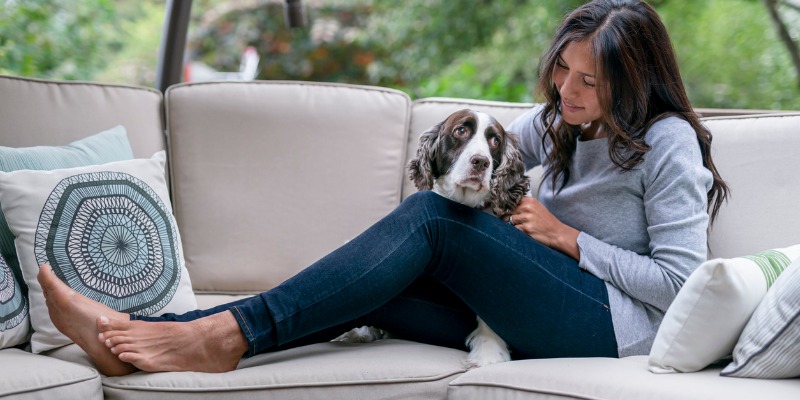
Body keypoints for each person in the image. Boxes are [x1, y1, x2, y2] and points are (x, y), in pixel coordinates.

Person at [39, 0, 729, 377]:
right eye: (562, 72)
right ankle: (143, 337)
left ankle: (219, 338)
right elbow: (480, 151)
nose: (565, 91)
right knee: (369, 281)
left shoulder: (665, 140)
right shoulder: (558, 122)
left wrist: (567, 238)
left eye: (589, 81)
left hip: (614, 328)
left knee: (432, 221)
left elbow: (682, 283)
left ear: (633, 80)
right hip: (542, 307)